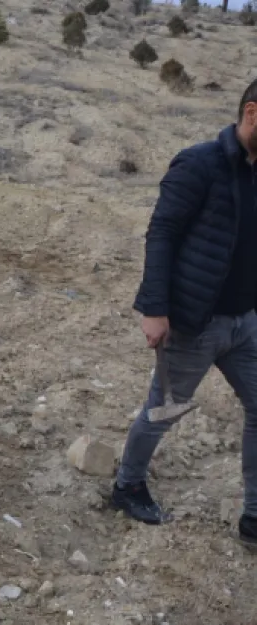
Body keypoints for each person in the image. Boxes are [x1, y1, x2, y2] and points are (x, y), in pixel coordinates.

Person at [112, 78, 257, 547]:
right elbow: (162, 232)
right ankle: (127, 485)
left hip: (246, 323)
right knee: (161, 411)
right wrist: (154, 308)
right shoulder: (199, 163)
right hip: (194, 321)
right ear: (252, 113)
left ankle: (254, 516)